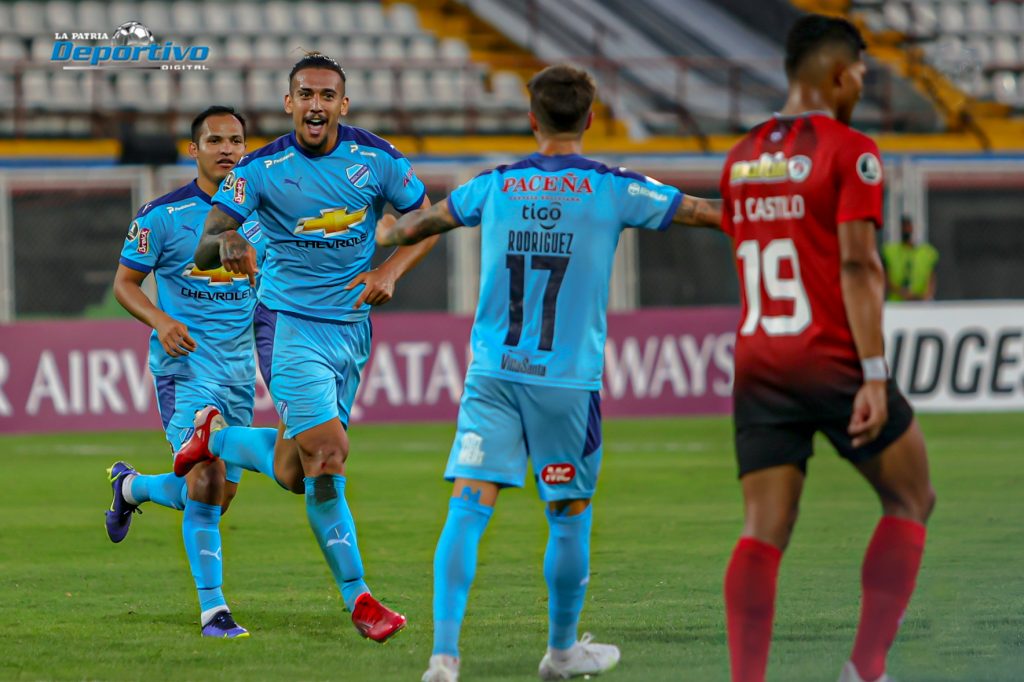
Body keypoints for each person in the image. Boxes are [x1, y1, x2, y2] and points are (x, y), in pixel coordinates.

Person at [373, 64, 723, 682]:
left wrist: (387, 228)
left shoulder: (495, 186)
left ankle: (443, 660)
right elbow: (705, 212)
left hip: (494, 376)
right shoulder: (614, 187)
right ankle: (561, 654)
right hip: (566, 384)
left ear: (532, 119)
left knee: (467, 507)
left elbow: (409, 229)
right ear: (590, 118)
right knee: (567, 512)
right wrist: (785, 211)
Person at [174, 52, 438, 643]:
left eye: (326, 95)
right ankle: (360, 599)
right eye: (304, 94)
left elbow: (426, 215)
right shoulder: (262, 169)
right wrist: (232, 237)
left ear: (342, 104)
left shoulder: (377, 160)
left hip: (352, 331)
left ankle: (213, 437)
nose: (315, 105)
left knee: (298, 474)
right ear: (288, 103)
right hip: (288, 326)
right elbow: (207, 241)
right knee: (328, 453)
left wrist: (391, 269)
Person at [717, 15, 936, 682]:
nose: (864, 83)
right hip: (833, 356)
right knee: (910, 498)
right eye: (862, 72)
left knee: (763, 529)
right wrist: (873, 374)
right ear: (838, 74)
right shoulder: (850, 150)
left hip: (759, 359)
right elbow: (858, 266)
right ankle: (865, 670)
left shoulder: (739, 157)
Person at [106, 105, 264, 638]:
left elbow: (268, 294)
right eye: (215, 140)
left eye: (236, 141)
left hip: (241, 373)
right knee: (204, 475)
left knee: (217, 494)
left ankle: (132, 489)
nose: (227, 149)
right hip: (186, 372)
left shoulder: (263, 217)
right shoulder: (162, 216)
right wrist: (161, 318)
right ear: (193, 150)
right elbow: (125, 283)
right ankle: (214, 611)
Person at [881, 216, 939, 301]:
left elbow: (931, 279)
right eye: (903, 227)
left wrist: (925, 296)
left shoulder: (927, 253)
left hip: (921, 305)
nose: (907, 230)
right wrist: (903, 293)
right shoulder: (890, 251)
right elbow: (885, 280)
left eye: (909, 226)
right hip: (896, 305)